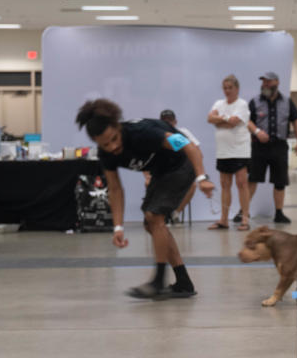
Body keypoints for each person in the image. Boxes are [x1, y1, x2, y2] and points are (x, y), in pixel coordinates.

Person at [75, 99, 215, 299]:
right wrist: (118, 227)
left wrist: (202, 178)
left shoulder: (142, 132)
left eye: (115, 138)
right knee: (151, 224)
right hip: (161, 171)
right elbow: (115, 189)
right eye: (106, 144)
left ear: (118, 127)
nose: (113, 146)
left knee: (155, 216)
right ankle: (183, 282)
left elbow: (187, 145)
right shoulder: (106, 155)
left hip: (183, 164)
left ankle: (158, 281)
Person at [238, 72, 297, 225]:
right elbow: (246, 120)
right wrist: (257, 131)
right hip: (259, 147)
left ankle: (279, 213)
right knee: (253, 179)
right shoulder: (255, 101)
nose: (265, 85)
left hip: (279, 146)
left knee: (280, 181)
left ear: (276, 83)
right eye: (263, 83)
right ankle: (243, 212)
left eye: (268, 82)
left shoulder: (287, 102)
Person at [207, 74, 252, 231]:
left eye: (230, 88)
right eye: (225, 88)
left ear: (237, 89)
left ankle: (245, 219)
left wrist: (220, 120)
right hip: (223, 151)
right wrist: (224, 120)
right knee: (225, 185)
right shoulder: (219, 103)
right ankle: (224, 220)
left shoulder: (242, 104)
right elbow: (209, 118)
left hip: (240, 150)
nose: (227, 91)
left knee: (241, 184)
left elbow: (233, 123)